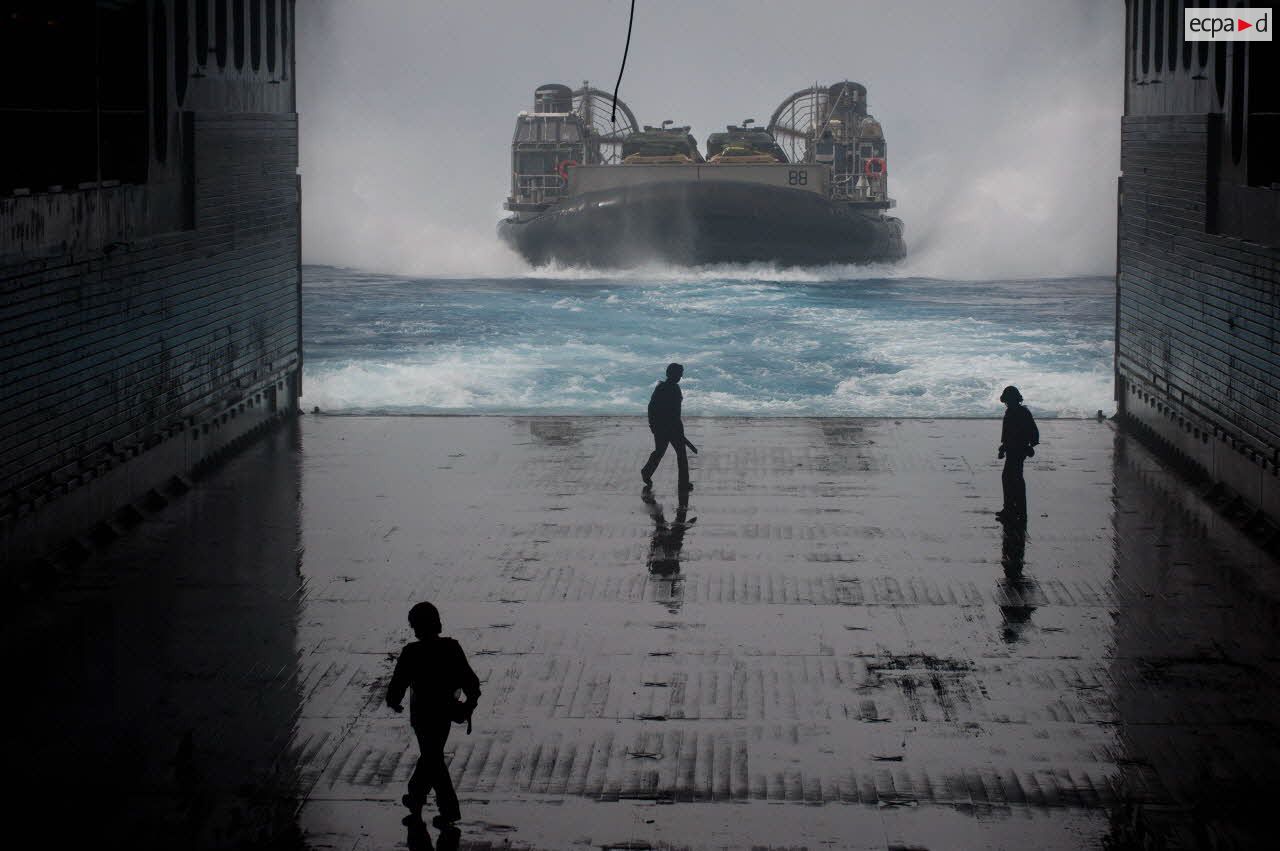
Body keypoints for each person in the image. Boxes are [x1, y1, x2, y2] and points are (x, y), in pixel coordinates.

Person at [387, 602, 481, 832]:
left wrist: (394, 700)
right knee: (432, 757)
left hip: (422, 716)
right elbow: (469, 679)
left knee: (432, 758)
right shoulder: (451, 647)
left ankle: (442, 807)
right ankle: (418, 796)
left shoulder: (411, 652)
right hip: (444, 714)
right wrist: (470, 702)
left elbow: (399, 682)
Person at [641, 362, 692, 490]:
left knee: (676, 454)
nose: (680, 377)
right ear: (672, 374)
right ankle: (646, 472)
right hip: (665, 428)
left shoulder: (671, 388)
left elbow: (672, 411)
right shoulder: (664, 388)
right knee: (665, 453)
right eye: (679, 374)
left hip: (670, 427)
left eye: (680, 375)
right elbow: (652, 408)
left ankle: (683, 482)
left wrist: (653, 425)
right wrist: (653, 425)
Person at [996, 385, 1038, 523]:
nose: (1006, 403)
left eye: (1008, 400)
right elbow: (1007, 434)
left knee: (1013, 479)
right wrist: (1003, 448)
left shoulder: (1022, 413)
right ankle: (1012, 509)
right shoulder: (1012, 412)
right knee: (1011, 479)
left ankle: (1015, 510)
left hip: (1018, 451)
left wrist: (1030, 446)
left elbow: (1032, 431)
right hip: (1012, 450)